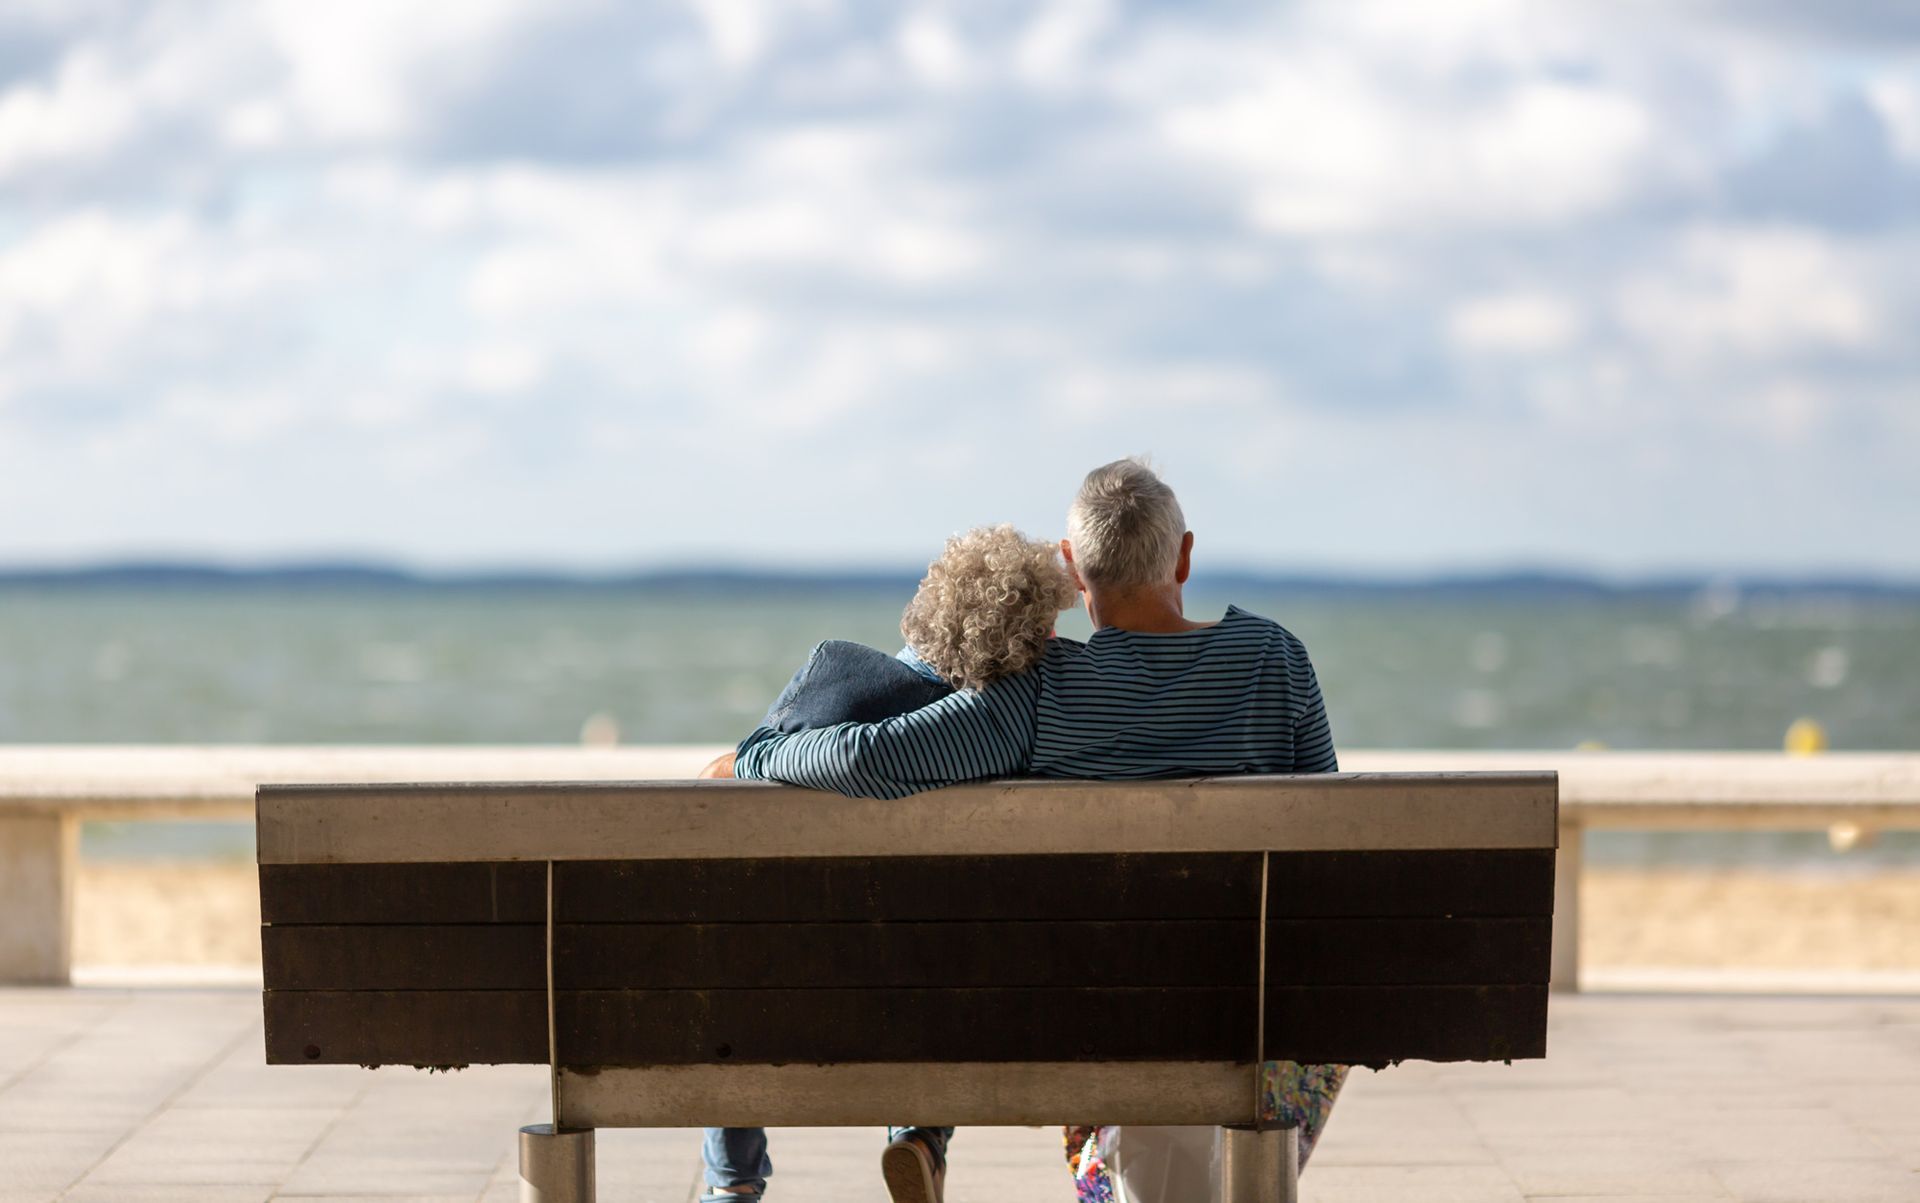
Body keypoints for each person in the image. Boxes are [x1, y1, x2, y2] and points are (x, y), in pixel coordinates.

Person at [731, 458, 1347, 1202]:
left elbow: (869, 757)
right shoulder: (1275, 661)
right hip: (1251, 1012)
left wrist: (758, 754)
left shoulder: (1040, 691)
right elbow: (1329, 840)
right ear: (1184, 554)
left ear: (1073, 570)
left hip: (1097, 1023)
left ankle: (945, 1135)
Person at [696, 524, 1077, 1203]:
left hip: (773, 1001)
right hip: (920, 1007)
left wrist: (745, 761)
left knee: (735, 939)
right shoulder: (996, 736)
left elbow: (719, 787)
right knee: (937, 932)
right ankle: (923, 1137)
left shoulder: (829, 677)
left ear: (925, 603)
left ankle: (732, 1181)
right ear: (1035, 641)